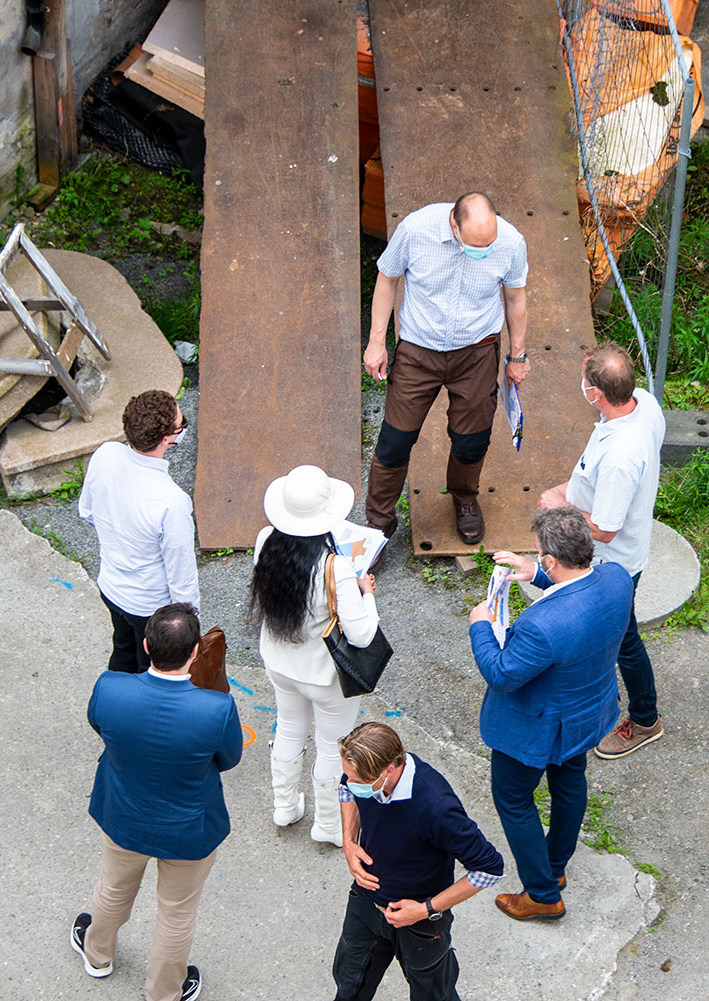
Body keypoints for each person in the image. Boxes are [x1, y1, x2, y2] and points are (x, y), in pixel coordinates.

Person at [70, 603, 243, 1001]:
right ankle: (164, 992)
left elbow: (98, 725)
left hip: (124, 815)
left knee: (113, 888)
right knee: (177, 912)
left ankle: (97, 956)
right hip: (189, 830)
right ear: (196, 652)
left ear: (146, 646)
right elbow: (228, 760)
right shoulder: (216, 709)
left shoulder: (109, 687)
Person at [470, 506, 633, 920]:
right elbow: (579, 598)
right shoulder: (616, 579)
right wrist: (535, 573)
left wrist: (481, 626)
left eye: (540, 555)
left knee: (514, 799)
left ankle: (543, 894)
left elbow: (502, 674)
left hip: (536, 728)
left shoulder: (541, 625)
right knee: (569, 782)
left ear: (551, 559)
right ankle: (555, 867)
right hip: (587, 713)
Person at [363, 191, 531, 547]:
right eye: (474, 245)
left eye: (488, 245)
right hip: (419, 351)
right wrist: (377, 341)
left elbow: (515, 297)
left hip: (476, 351)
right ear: (454, 225)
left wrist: (518, 356)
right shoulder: (415, 229)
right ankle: (379, 524)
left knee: (472, 440)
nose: (482, 252)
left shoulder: (511, 242)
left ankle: (464, 497)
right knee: (395, 441)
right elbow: (387, 278)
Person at [538, 343, 666, 760]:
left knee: (624, 641)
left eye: (585, 380)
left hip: (614, 564)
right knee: (615, 635)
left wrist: (560, 504)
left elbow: (606, 530)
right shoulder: (643, 403)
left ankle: (645, 719)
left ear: (595, 393)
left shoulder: (620, 459)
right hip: (623, 551)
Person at [251, 465, 379, 846]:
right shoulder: (335, 567)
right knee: (331, 745)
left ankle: (285, 806)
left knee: (289, 727)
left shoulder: (265, 541)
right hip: (324, 675)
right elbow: (362, 633)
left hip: (279, 661)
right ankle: (327, 825)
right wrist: (367, 592)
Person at [332, 722, 504, 1001]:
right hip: (365, 904)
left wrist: (425, 909)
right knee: (349, 986)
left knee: (435, 995)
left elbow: (489, 869)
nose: (350, 783)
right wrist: (350, 843)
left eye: (359, 781)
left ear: (389, 769)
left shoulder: (437, 808)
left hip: (419, 924)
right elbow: (346, 790)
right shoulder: (359, 775)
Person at [79, 389, 198, 673]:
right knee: (152, 672)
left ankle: (113, 702)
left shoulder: (105, 454)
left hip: (110, 585)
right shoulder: (172, 502)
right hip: (149, 607)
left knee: (122, 650)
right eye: (182, 424)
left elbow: (87, 511)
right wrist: (190, 628)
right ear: (168, 439)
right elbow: (182, 576)